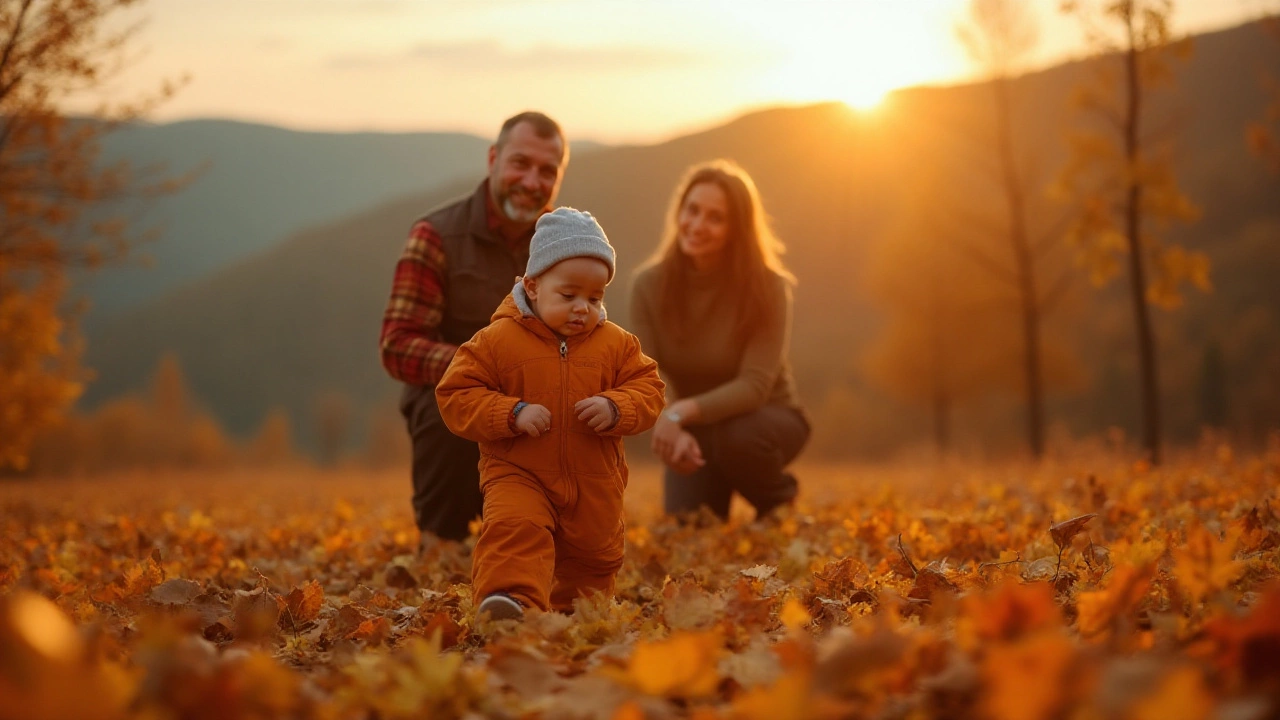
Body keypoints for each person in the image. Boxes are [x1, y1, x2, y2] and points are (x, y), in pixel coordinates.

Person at [435, 208, 665, 619]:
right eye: (569, 294)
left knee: (593, 554)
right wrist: (511, 412)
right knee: (514, 528)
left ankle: (576, 617)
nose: (583, 308)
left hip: (594, 478)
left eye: (595, 298)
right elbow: (456, 393)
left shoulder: (617, 345)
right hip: (518, 469)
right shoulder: (496, 341)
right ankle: (510, 601)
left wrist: (617, 406)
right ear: (534, 286)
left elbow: (649, 388)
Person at [379, 111, 569, 544]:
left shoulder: (567, 246)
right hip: (459, 404)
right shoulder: (436, 235)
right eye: (521, 163)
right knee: (442, 406)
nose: (531, 181)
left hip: (545, 408)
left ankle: (561, 536)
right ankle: (441, 538)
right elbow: (398, 345)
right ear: (493, 159)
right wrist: (486, 371)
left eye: (547, 171)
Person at [629, 159, 810, 522]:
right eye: (692, 210)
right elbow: (648, 373)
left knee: (735, 438)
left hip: (764, 422)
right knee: (690, 524)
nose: (697, 225)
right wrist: (672, 424)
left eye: (716, 217)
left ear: (736, 229)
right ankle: (714, 483)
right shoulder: (647, 285)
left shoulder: (769, 287)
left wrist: (678, 414)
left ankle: (778, 502)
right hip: (694, 430)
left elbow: (755, 386)